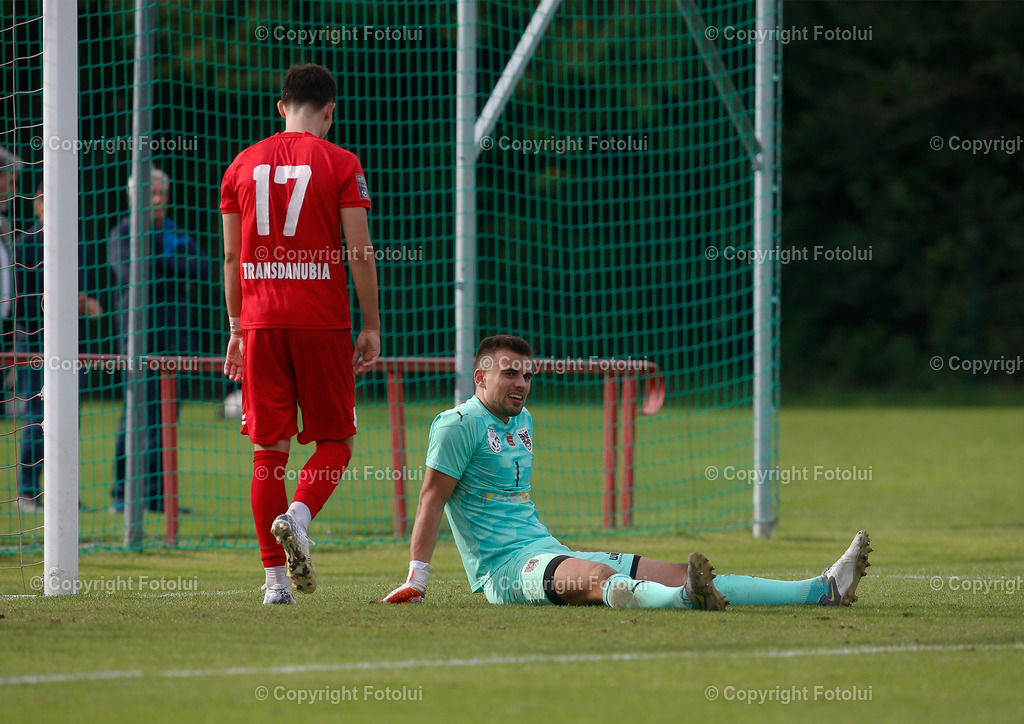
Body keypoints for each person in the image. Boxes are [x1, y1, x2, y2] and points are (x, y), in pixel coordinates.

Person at [382, 335, 872, 610]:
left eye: (528, 373)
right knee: (597, 576)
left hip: (548, 551)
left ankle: (821, 589)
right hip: (505, 573)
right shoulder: (457, 424)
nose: (522, 382)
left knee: (681, 570)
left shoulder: (523, 420)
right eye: (510, 372)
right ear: (481, 376)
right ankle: (684, 600)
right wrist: (417, 580)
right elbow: (431, 500)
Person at [219, 63, 380, 605]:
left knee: (268, 455)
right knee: (337, 441)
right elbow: (358, 250)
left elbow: (232, 255)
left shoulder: (240, 164)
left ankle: (274, 585)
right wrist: (372, 322)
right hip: (322, 321)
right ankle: (300, 515)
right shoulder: (341, 162)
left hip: (261, 322)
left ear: (280, 106)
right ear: (330, 111)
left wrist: (236, 327)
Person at [108, 168, 210, 513]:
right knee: (136, 415)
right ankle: (123, 494)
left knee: (166, 419)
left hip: (177, 341)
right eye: (149, 195)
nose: (155, 201)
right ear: (132, 198)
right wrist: (176, 271)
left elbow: (204, 267)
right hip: (139, 341)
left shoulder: (175, 233)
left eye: (160, 195)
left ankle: (157, 496)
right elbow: (134, 275)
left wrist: (165, 267)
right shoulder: (123, 233)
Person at [13, 181, 104, 512]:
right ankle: (27, 492)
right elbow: (19, 306)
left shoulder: (77, 245)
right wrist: (62, 303)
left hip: (72, 347)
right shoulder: (24, 247)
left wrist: (88, 304)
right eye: (46, 201)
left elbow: (93, 301)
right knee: (37, 416)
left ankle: (62, 494)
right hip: (34, 345)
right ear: (36, 206)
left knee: (68, 419)